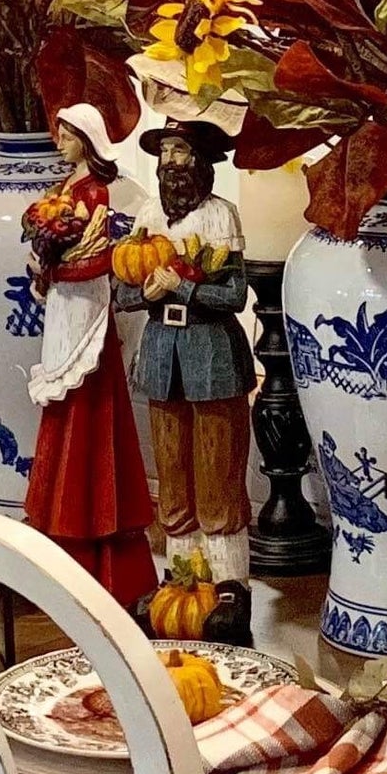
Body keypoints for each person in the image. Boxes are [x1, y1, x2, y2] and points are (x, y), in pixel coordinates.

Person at [18, 103, 157, 606]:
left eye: (67, 133)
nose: (58, 140)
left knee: (89, 414)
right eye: (58, 132)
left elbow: (97, 263)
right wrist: (47, 267)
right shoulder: (63, 193)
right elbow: (64, 257)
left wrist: (56, 268)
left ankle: (91, 524)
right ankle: (60, 522)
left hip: (86, 317)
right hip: (62, 313)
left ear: (87, 141)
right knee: (62, 408)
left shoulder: (93, 194)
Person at [131, 114, 253, 587]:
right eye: (164, 153)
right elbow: (125, 289)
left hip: (211, 353)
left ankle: (227, 578)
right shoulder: (149, 219)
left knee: (217, 461)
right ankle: (180, 569)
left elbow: (234, 295)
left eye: (179, 151)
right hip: (163, 351)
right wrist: (150, 293)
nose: (170, 162)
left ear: (201, 160)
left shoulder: (220, 215)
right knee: (172, 463)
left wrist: (180, 286)